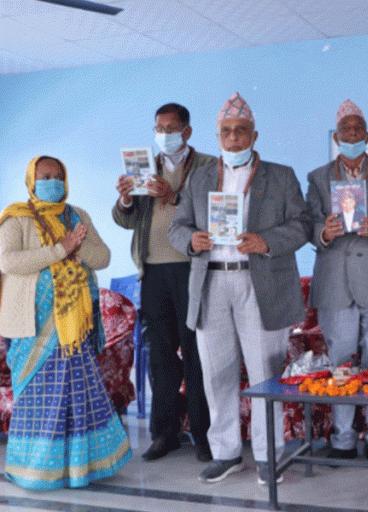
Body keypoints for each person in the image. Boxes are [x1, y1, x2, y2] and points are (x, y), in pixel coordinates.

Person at [169, 92, 310, 483]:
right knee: (217, 374)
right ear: (217, 136)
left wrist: (266, 242)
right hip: (211, 281)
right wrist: (191, 239)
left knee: (266, 373)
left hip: (259, 281)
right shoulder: (198, 177)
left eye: (241, 131)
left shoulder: (280, 176)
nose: (233, 138)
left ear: (254, 134)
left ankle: (269, 455)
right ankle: (226, 452)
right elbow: (176, 226)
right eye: (226, 131)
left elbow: (302, 225)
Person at [0, 156, 131, 489]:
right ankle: (35, 471)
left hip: (74, 329)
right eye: (45, 176)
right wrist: (61, 249)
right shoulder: (17, 219)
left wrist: (78, 248)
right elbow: (8, 261)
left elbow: (103, 257)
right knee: (38, 398)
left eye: (58, 176)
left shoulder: (77, 216)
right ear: (32, 180)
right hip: (33, 327)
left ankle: (80, 468)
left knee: (77, 395)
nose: (52, 181)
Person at [306, 99, 368, 461]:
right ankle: (343, 440)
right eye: (345, 130)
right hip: (335, 282)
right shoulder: (318, 177)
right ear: (337, 137)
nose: (352, 135)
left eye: (357, 129)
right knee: (340, 361)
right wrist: (323, 232)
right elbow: (308, 223)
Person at [113, 103, 215, 463]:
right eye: (159, 127)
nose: (164, 134)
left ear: (187, 132)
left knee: (195, 353)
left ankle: (204, 436)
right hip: (152, 271)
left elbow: (214, 211)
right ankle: (164, 434)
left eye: (171, 128)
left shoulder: (207, 166)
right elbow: (126, 220)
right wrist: (126, 198)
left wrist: (172, 197)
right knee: (159, 356)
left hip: (192, 269)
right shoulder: (144, 166)